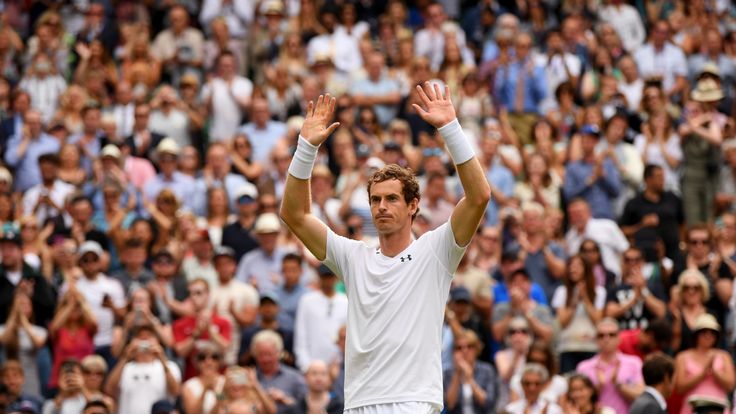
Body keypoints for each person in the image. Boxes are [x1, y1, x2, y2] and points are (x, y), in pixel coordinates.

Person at [280, 84, 491, 412]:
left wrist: (450, 128)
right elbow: (294, 215)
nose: (381, 206)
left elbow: (478, 198)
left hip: (414, 403)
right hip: (360, 404)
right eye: (375, 199)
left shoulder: (435, 251)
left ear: (413, 206)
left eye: (392, 198)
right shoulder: (353, 256)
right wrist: (305, 147)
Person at [105, 325, 181, 414]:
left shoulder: (170, 366)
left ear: (158, 341)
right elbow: (109, 390)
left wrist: (162, 359)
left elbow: (175, 391)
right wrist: (125, 357)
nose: (144, 339)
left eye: (149, 336)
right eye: (139, 336)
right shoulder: (124, 367)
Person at [576, 318, 645, 414]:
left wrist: (619, 385)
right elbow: (577, 401)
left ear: (619, 338)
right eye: (601, 335)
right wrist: (597, 388)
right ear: (596, 339)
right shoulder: (583, 367)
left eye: (612, 335)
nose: (606, 339)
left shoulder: (634, 363)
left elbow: (641, 396)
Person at [673, 314, 734, 414]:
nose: (708, 336)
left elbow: (730, 385)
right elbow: (679, 388)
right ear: (696, 334)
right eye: (704, 332)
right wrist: (702, 373)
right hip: (692, 410)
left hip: (718, 410)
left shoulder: (724, 356)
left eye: (712, 333)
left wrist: (715, 372)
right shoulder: (682, 356)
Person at [294, 264, 348, 372]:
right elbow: (301, 335)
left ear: (336, 277)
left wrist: (342, 364)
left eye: (330, 276)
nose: (328, 280)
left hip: (339, 367)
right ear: (319, 277)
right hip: (312, 366)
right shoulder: (307, 301)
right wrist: (306, 366)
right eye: (325, 277)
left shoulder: (346, 301)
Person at [443, 329, 496, 413]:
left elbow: (488, 403)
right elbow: (449, 405)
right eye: (459, 348)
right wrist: (457, 374)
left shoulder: (487, 370)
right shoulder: (448, 373)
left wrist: (470, 380)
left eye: (469, 346)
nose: (464, 351)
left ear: (477, 349)